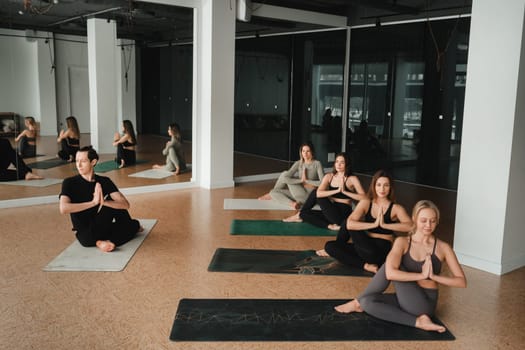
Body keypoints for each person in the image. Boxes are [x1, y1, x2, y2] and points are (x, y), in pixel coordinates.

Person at [334, 200, 467, 333]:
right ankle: (418, 321)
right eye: (424, 220)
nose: (428, 225)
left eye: (432, 221)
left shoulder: (443, 247)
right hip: (404, 298)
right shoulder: (402, 242)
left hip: (424, 304)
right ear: (414, 219)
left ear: (437, 221)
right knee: (367, 301)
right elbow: (391, 274)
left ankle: (356, 302)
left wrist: (432, 277)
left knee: (391, 266)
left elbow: (461, 282)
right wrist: (421, 275)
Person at [317, 169, 412, 273]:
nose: (382, 189)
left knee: (369, 252)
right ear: (374, 186)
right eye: (379, 185)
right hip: (364, 245)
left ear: (390, 188)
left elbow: (410, 226)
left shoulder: (396, 208)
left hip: (380, 249)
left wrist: (384, 225)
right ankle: (365, 266)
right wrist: (373, 224)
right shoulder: (366, 203)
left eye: (386, 185)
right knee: (330, 246)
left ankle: (358, 260)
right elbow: (349, 223)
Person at [59, 146, 143, 252]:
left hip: (101, 224)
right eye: (77, 161)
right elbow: (63, 208)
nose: (78, 165)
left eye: (83, 161)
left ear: (93, 162)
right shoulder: (69, 182)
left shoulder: (104, 181)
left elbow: (125, 205)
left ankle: (107, 239)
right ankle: (100, 242)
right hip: (85, 231)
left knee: (131, 222)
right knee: (133, 227)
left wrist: (105, 202)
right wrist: (94, 202)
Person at [283, 152, 366, 231]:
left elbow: (364, 197)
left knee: (316, 194)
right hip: (331, 211)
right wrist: (336, 191)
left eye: (342, 162)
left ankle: (298, 215)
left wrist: (345, 192)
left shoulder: (352, 179)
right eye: (337, 161)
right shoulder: (329, 176)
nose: (339, 164)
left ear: (347, 164)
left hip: (342, 215)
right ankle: (329, 226)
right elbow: (318, 193)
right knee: (304, 214)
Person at [258, 142, 324, 209]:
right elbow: (285, 178)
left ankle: (271, 196)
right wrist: (301, 181)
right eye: (303, 151)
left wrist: (307, 181)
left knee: (284, 175)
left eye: (308, 151)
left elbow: (323, 182)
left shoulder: (317, 164)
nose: (305, 154)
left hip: (308, 197)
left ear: (312, 152)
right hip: (298, 193)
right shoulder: (298, 163)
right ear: (301, 152)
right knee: (273, 192)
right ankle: (293, 204)